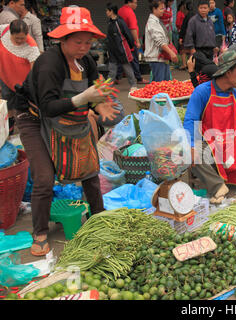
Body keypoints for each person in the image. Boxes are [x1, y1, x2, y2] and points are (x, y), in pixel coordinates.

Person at [12, 7, 120, 256]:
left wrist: (99, 103)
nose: (84, 47)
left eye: (88, 42)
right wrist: (85, 98)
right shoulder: (49, 64)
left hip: (70, 119)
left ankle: (98, 219)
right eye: (78, 42)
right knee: (44, 176)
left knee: (91, 170)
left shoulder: (88, 61)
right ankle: (39, 231)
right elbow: (48, 108)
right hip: (34, 118)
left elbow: (95, 92)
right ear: (63, 39)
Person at [183, 50, 236, 204]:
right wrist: (192, 145)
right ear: (227, 73)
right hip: (207, 141)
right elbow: (190, 120)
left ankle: (227, 175)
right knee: (190, 153)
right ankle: (218, 186)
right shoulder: (202, 92)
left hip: (229, 142)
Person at [0, 19, 40, 137]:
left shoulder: (31, 47)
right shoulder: (4, 30)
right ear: (10, 33)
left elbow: (35, 71)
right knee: (8, 104)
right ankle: (9, 132)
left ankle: (26, 131)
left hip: (22, 83)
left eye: (23, 38)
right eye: (17, 38)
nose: (20, 41)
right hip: (5, 74)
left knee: (23, 108)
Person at [105, 2, 137, 92]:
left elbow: (128, 35)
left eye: (107, 11)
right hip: (112, 51)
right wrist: (107, 50)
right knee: (112, 70)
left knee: (127, 68)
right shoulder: (109, 23)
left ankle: (133, 85)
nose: (106, 12)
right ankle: (107, 88)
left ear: (111, 11)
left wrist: (131, 46)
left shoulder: (120, 22)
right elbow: (109, 38)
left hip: (122, 49)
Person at [144, 0, 178, 82]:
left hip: (161, 58)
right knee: (159, 86)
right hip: (156, 58)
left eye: (164, 8)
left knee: (165, 84)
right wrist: (171, 53)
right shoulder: (153, 22)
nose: (163, 11)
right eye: (161, 9)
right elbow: (160, 42)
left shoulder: (158, 21)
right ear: (154, 9)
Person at [118, 0, 149, 84]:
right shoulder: (130, 12)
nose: (136, 5)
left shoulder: (120, 10)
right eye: (135, 3)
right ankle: (139, 78)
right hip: (130, 41)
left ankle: (117, 77)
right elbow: (133, 28)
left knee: (121, 59)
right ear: (129, 2)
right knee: (134, 59)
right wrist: (137, 41)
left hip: (122, 40)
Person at [176, 0, 188, 70]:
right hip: (185, 32)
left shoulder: (180, 13)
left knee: (183, 50)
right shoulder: (184, 14)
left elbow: (177, 23)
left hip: (182, 32)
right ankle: (186, 64)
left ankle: (184, 64)